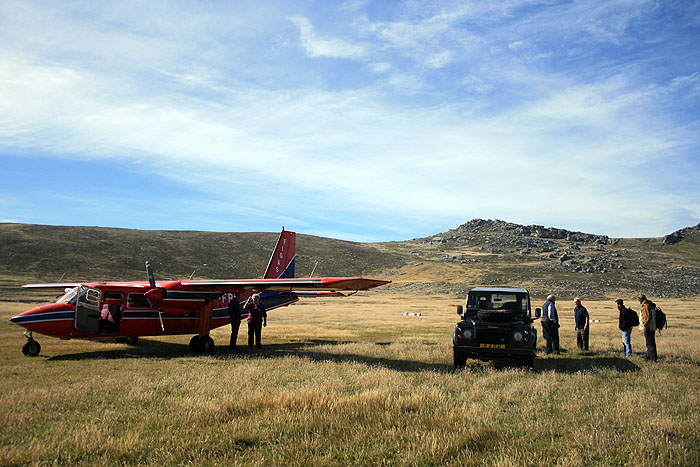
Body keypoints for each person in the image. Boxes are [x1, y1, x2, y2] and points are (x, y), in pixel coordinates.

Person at [638, 294, 657, 361]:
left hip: (648, 327)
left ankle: (652, 358)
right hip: (652, 326)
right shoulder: (650, 305)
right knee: (651, 342)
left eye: (639, 300)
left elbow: (646, 317)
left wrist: (645, 326)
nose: (639, 301)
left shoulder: (645, 306)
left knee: (649, 343)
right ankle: (649, 356)